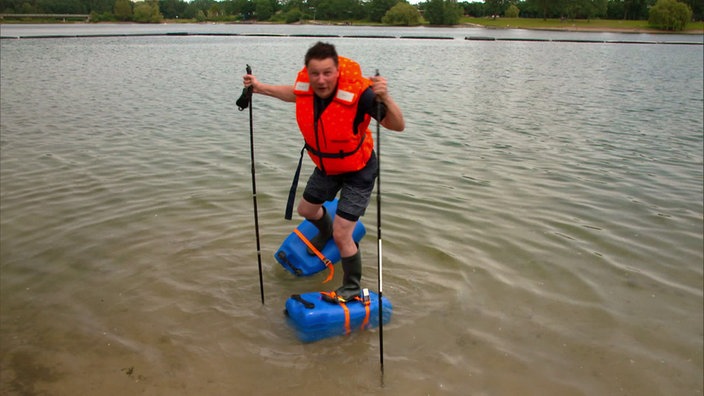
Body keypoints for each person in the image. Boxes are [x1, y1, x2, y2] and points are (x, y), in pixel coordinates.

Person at [243, 41, 405, 303]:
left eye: (327, 72)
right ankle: (326, 230)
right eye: (315, 73)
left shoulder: (361, 95)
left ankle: (352, 286)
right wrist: (259, 88)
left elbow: (397, 125)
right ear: (308, 72)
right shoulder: (307, 88)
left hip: (358, 170)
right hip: (327, 166)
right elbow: (290, 93)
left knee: (344, 233)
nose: (321, 80)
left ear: (337, 71)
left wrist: (385, 96)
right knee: (306, 211)